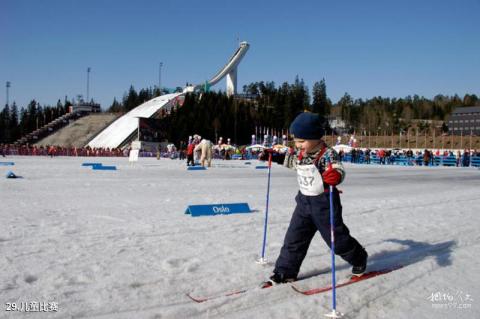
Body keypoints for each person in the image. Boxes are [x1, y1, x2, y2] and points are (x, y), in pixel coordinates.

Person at [264, 112, 367, 286]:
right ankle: (285, 271)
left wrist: (335, 175)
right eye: (296, 141)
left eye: (301, 141)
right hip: (304, 202)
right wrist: (275, 157)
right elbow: (290, 161)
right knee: (294, 238)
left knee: (337, 239)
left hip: (324, 204)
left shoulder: (328, 154)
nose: (298, 145)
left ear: (315, 137)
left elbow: (338, 169)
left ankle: (359, 258)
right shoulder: (300, 154)